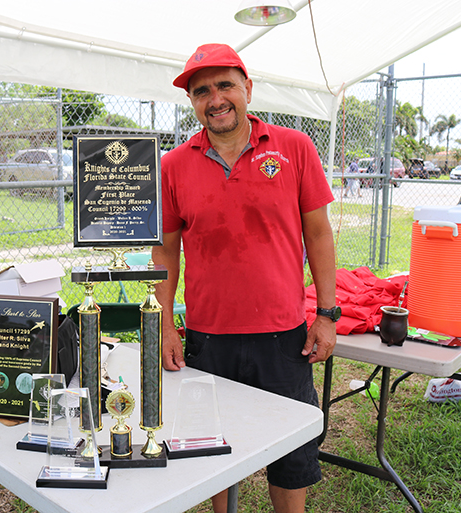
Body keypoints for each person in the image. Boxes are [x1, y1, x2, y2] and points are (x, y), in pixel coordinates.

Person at [153, 43, 338, 513]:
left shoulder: (294, 147)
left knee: (292, 454)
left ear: (247, 89)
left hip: (284, 335)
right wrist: (165, 325)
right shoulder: (173, 165)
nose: (215, 99)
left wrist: (327, 314)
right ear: (192, 101)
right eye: (202, 91)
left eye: (225, 86)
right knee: (214, 449)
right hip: (208, 337)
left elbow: (318, 233)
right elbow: (166, 250)